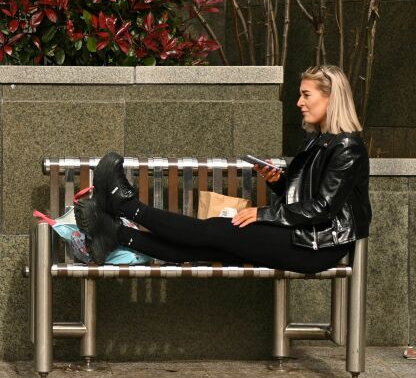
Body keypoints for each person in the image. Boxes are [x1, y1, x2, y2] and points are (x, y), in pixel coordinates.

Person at [75, 65, 371, 274]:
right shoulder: (316, 141)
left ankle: (126, 206)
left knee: (215, 230)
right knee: (208, 247)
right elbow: (304, 198)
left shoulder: (347, 148)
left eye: (307, 95)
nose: (299, 102)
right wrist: (279, 182)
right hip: (301, 233)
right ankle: (117, 234)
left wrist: (262, 213)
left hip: (317, 245)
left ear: (331, 98)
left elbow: (323, 207)